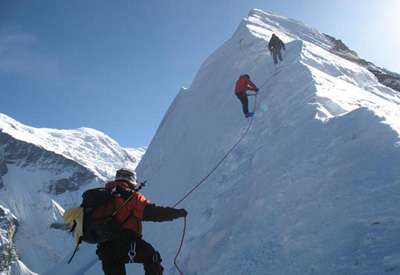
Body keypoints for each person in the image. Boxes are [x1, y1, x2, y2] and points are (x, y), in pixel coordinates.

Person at [96, 168, 187, 275]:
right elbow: (153, 213)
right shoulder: (132, 197)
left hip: (105, 250)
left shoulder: (101, 196)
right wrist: (176, 213)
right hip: (127, 244)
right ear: (131, 180)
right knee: (151, 257)